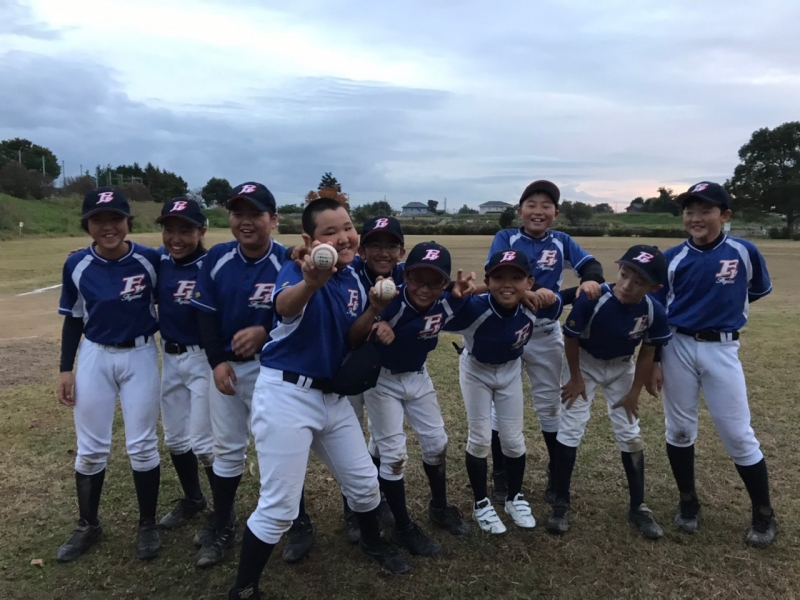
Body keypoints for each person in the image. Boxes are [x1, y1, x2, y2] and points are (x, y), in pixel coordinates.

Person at [227, 198, 410, 600]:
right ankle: (243, 589)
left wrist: (374, 310)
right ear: (309, 241)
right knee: (279, 507)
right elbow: (283, 307)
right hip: (286, 395)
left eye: (347, 227)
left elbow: (352, 337)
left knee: (365, 484)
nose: (342, 237)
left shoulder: (354, 277)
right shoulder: (298, 269)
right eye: (330, 231)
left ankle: (372, 542)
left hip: (331, 397)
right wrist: (311, 282)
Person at [191, 182, 314, 567]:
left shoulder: (287, 260)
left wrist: (264, 329)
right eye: (237, 213)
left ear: (273, 220)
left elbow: (300, 313)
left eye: (255, 214)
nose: (245, 222)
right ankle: (223, 522)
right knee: (227, 449)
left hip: (272, 369)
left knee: (279, 447)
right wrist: (216, 361)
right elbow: (204, 316)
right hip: (227, 368)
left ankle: (299, 522)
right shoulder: (217, 258)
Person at [648, 182, 777, 547]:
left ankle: (764, 513)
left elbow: (755, 290)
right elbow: (658, 312)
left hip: (722, 348)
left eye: (706, 210)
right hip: (677, 346)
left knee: (737, 434)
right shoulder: (672, 258)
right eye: (690, 211)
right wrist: (654, 359)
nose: (696, 218)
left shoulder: (743, 251)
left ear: (725, 215)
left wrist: (722, 311)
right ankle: (688, 501)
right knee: (679, 429)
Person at [56, 187, 162, 561]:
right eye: (97, 220)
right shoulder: (77, 264)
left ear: (128, 221)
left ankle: (147, 524)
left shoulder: (150, 260)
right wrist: (65, 369)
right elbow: (74, 319)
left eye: (115, 218)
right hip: (95, 356)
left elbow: (184, 273)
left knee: (142, 444)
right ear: (86, 225)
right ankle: (88, 524)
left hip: (140, 354)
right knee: (90, 449)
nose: (108, 227)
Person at [487, 180, 604, 504]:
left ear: (555, 213)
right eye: (531, 205)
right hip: (508, 328)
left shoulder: (561, 241)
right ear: (520, 211)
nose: (538, 211)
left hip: (545, 332)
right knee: (499, 405)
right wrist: (529, 291)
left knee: (549, 405)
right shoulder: (506, 237)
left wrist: (590, 280)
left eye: (546, 206)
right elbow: (495, 276)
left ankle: (556, 472)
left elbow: (591, 266)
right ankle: (500, 473)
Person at [547, 245, 671, 539]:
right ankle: (560, 502)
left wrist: (634, 392)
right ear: (618, 267)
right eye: (624, 274)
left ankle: (638, 506)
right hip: (585, 363)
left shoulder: (653, 309)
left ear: (654, 287)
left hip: (621, 367)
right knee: (571, 427)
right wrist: (576, 378)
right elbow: (571, 338)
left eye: (639, 282)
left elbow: (648, 351)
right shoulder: (594, 298)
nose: (627, 285)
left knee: (630, 432)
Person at [364, 241, 474, 555]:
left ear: (445, 283)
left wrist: (461, 289)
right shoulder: (391, 300)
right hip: (382, 379)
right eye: (417, 280)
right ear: (405, 276)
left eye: (434, 282)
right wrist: (376, 323)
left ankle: (439, 507)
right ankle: (402, 527)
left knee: (437, 443)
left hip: (418, 375)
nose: (424, 289)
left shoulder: (450, 301)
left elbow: (475, 295)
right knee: (394, 454)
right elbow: (358, 320)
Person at [444, 249, 562, 534]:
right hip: (476, 370)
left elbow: (564, 300)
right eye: (499, 278)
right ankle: (481, 503)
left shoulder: (535, 305)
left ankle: (514, 497)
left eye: (516, 278)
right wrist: (463, 292)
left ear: (530, 282)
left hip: (510, 370)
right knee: (480, 438)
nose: (507, 284)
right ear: (487, 281)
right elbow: (438, 307)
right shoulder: (475, 308)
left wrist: (548, 295)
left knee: (514, 440)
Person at [341, 216, 406, 541]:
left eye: (391, 245)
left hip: (384, 370)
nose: (383, 252)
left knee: (382, 437)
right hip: (347, 364)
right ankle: (352, 508)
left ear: (401, 251)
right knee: (350, 436)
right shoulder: (348, 271)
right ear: (362, 251)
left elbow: (442, 289)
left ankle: (377, 498)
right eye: (374, 245)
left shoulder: (406, 274)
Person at [154, 197, 216, 532]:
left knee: (205, 443)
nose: (176, 238)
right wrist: (86, 252)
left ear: (202, 231)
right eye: (169, 229)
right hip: (170, 356)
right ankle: (194, 498)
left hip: (202, 358)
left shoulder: (212, 265)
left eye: (185, 230)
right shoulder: (160, 260)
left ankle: (223, 512)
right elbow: (125, 258)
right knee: (176, 439)